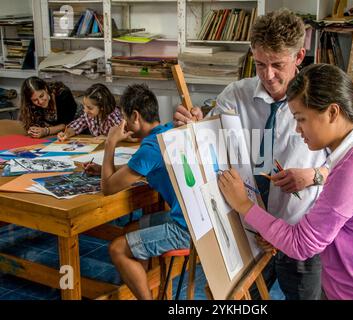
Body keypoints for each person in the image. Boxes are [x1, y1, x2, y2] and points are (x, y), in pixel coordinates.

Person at [218, 64, 353, 300]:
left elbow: (301, 244)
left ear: (332, 112)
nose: (298, 129)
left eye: (301, 119)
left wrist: (243, 204)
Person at [174, 9, 328, 299]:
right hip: (251, 230)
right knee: (248, 300)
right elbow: (210, 139)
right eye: (259, 64)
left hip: (299, 231)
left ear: (299, 56)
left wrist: (315, 175)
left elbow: (348, 165)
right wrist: (195, 125)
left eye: (277, 64)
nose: (268, 75)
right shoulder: (236, 94)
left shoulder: (321, 99)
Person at [84, 84, 190, 300]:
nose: (121, 124)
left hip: (186, 229)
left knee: (117, 249)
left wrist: (111, 143)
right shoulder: (169, 130)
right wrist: (104, 170)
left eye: (123, 117)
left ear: (135, 116)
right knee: (130, 228)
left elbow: (108, 188)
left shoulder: (150, 148)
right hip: (196, 219)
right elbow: (139, 170)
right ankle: (140, 286)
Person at [58, 83, 122, 140]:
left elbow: (124, 135)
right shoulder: (89, 115)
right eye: (84, 106)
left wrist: (107, 138)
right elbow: (77, 126)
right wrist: (67, 133)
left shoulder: (112, 116)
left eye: (89, 108)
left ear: (102, 106)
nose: (85, 110)